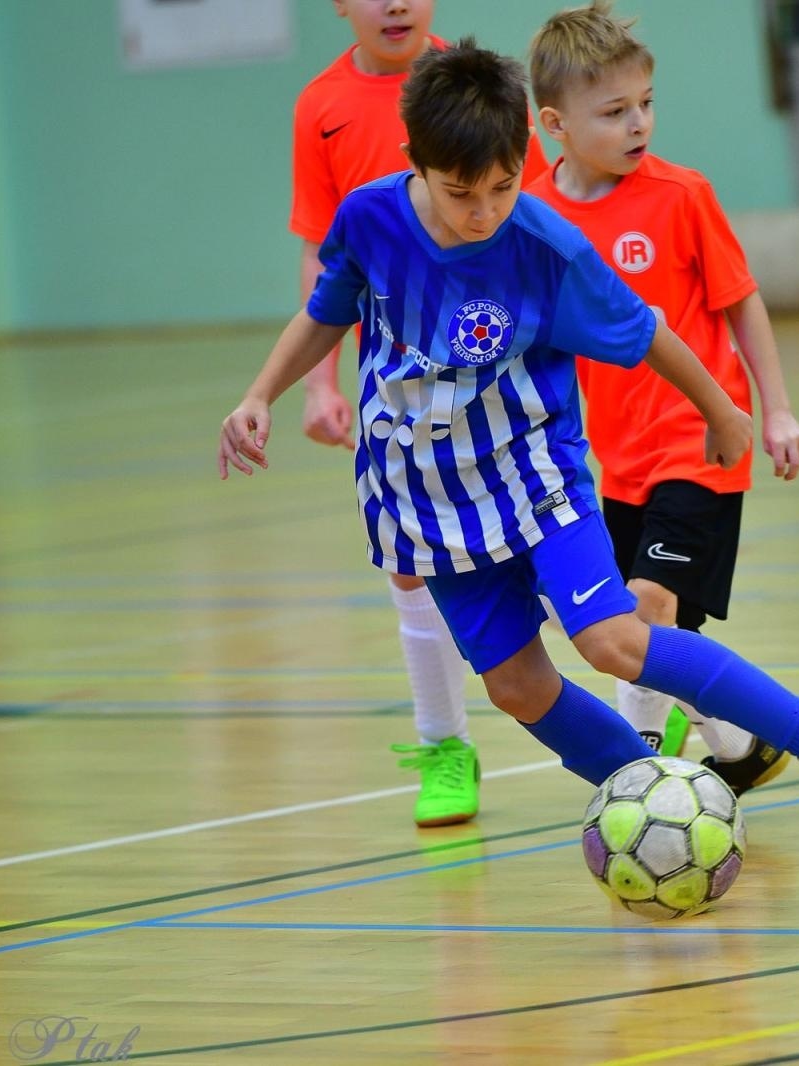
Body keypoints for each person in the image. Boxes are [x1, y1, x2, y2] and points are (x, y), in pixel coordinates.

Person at [222, 40, 799, 834]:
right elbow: (325, 314)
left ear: (525, 156)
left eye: (504, 187)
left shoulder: (546, 248)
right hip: (425, 502)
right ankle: (656, 795)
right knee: (514, 686)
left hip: (533, 476)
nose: (484, 212)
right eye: (460, 193)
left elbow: (645, 330)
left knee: (616, 640)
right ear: (416, 160)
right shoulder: (369, 221)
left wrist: (724, 410)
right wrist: (260, 394)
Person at [524, 1, 799, 796]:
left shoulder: (682, 196)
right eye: (614, 112)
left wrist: (774, 408)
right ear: (556, 124)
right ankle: (740, 743)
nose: (639, 123)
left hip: (696, 442)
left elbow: (741, 299)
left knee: (642, 608)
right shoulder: (535, 219)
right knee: (638, 623)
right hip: (608, 461)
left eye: (646, 104)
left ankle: (639, 765)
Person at [290, 0, 550, 827]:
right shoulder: (321, 108)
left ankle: (668, 716)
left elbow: (541, 224)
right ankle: (443, 747)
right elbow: (320, 253)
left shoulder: (478, 91)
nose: (394, 3)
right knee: (411, 564)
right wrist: (317, 384)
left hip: (504, 374)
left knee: (565, 554)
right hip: (403, 386)